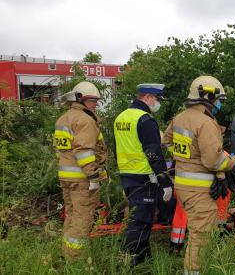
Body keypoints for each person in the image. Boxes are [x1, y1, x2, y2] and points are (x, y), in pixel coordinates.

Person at [162, 75, 235, 275]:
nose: (219, 104)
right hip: (199, 190)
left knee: (196, 233)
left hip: (183, 186)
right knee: (201, 237)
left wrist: (186, 159)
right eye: (219, 99)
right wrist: (232, 162)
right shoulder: (205, 122)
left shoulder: (179, 117)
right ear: (208, 96)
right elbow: (214, 160)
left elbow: (167, 142)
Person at [114, 83, 173, 266]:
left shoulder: (121, 117)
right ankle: (132, 262)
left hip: (127, 176)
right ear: (148, 97)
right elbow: (154, 153)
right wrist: (164, 182)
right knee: (141, 221)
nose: (158, 104)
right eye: (157, 100)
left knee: (136, 217)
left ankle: (144, 258)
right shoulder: (145, 119)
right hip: (144, 177)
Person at [54, 81, 108, 259]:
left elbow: (60, 150)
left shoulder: (63, 118)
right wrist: (93, 175)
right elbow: (84, 151)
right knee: (83, 218)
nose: (96, 104)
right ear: (81, 100)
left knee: (71, 215)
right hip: (82, 178)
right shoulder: (84, 120)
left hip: (66, 177)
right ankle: (75, 259)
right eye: (92, 100)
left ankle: (66, 252)